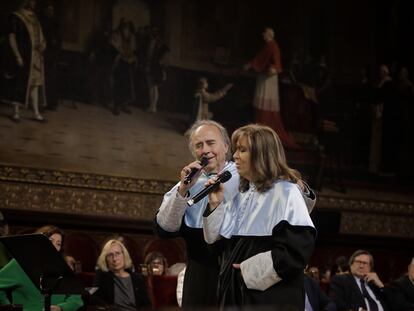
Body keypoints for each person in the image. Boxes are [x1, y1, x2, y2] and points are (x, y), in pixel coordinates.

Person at [155, 120, 316, 310]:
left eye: (210, 142)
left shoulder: (270, 185)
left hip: (264, 292)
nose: (205, 150)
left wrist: (247, 271)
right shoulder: (236, 188)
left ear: (225, 146)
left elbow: (296, 244)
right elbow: (209, 239)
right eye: (199, 145)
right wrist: (195, 195)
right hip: (216, 281)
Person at [203, 124, 316, 310]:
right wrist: (215, 205)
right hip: (235, 296)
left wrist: (247, 272)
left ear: (262, 154)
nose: (235, 156)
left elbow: (296, 253)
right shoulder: (241, 195)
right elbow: (216, 246)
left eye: (242, 150)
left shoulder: (286, 193)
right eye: (236, 150)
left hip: (268, 299)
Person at [0, 225, 83, 311]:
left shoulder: (62, 267)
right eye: (50, 241)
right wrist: (8, 307)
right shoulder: (19, 264)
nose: (54, 246)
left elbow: (76, 299)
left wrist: (61, 307)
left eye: (58, 244)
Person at [244, 27, 299, 149]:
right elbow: (261, 59)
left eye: (264, 33)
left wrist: (251, 65)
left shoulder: (271, 45)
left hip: (268, 78)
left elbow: (264, 61)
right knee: (262, 104)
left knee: (265, 105)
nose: (263, 34)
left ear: (269, 34)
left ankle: (262, 133)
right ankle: (260, 132)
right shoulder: (269, 45)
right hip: (266, 76)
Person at [5, 0, 47, 122]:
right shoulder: (15, 16)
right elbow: (11, 37)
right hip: (23, 56)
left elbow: (41, 36)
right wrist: (17, 55)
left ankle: (35, 112)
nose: (34, 2)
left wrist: (43, 45)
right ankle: (16, 112)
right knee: (19, 83)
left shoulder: (34, 18)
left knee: (35, 83)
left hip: (36, 57)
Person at [91, 239, 150, 311]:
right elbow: (95, 301)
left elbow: (146, 305)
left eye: (117, 253)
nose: (114, 259)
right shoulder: (102, 276)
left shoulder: (137, 278)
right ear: (105, 259)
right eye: (110, 255)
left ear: (124, 255)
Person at [111, 19, 137, 115]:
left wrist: (131, 57)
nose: (126, 30)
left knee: (128, 85)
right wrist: (121, 53)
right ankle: (116, 105)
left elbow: (133, 49)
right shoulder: (117, 35)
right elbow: (115, 46)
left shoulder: (132, 37)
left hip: (129, 63)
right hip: (120, 62)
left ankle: (124, 104)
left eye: (127, 28)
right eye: (124, 27)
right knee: (118, 84)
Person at [145, 26, 169, 113]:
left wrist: (162, 68)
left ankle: (153, 106)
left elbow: (160, 58)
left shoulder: (160, 46)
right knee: (152, 87)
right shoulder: (153, 42)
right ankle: (152, 106)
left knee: (153, 87)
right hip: (153, 66)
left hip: (156, 67)